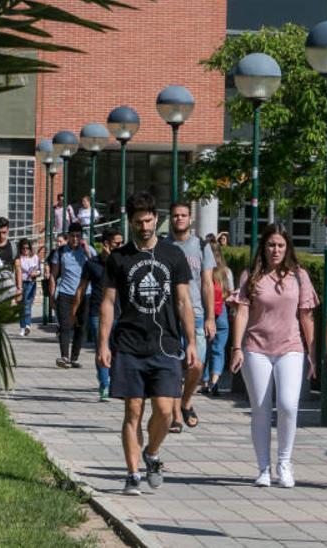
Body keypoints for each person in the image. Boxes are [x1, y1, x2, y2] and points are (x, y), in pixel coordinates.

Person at [97, 191, 199, 496]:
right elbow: (108, 302)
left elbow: (183, 301)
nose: (144, 226)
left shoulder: (172, 255)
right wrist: (103, 343)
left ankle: (152, 454)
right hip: (129, 344)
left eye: (149, 220)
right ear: (130, 222)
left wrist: (191, 341)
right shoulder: (119, 258)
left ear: (156, 218)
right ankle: (132, 475)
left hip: (166, 345)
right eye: (138, 222)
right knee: (133, 410)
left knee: (167, 412)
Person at [227, 223, 318, 488]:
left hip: (290, 347)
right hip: (256, 348)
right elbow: (242, 311)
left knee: (289, 405)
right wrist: (236, 348)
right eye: (270, 245)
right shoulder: (251, 275)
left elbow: (306, 316)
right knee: (261, 409)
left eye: (280, 245)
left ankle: (285, 462)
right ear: (263, 247)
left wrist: (313, 353)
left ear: (287, 247)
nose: (275, 250)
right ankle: (264, 468)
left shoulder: (299, 276)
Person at [163, 202, 216, 433]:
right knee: (174, 368)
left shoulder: (201, 246)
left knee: (196, 365)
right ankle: (175, 415)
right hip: (169, 316)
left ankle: (185, 401)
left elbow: (207, 284)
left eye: (183, 215)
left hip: (195, 314)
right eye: (176, 216)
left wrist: (210, 317)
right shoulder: (163, 245)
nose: (179, 219)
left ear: (190, 219)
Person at [75, 227, 124, 401]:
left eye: (121, 243)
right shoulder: (92, 264)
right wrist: (74, 311)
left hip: (120, 312)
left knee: (117, 350)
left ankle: (114, 381)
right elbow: (81, 289)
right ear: (106, 245)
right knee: (102, 347)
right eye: (116, 243)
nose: (120, 246)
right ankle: (104, 383)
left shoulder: (122, 262)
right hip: (97, 313)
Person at [50, 223, 95, 368]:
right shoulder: (61, 252)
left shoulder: (89, 251)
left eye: (78, 236)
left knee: (80, 327)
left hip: (84, 294)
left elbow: (97, 267)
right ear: (68, 236)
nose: (75, 239)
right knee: (65, 326)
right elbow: (53, 275)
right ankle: (64, 357)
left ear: (82, 236)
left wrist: (87, 251)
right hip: (65, 293)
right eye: (72, 236)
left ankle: (74, 357)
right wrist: (51, 296)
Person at [199, 241, 234, 397]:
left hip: (205, 312)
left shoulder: (202, 271)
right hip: (222, 313)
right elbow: (230, 293)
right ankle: (215, 380)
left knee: (205, 347)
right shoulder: (226, 272)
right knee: (218, 349)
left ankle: (205, 381)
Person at [15, 238, 42, 337]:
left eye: (27, 248)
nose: (25, 250)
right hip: (21, 283)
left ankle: (27, 325)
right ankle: (22, 326)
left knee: (27, 304)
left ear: (30, 248)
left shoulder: (34, 257)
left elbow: (40, 271)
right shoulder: (18, 258)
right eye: (23, 248)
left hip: (31, 283)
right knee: (21, 306)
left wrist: (36, 273)